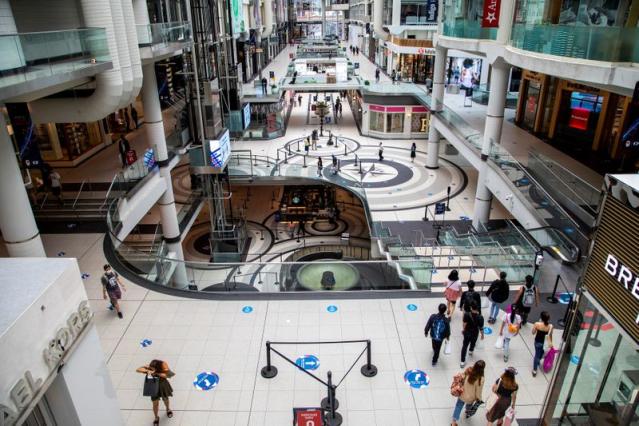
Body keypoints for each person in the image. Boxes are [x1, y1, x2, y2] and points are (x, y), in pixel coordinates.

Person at [136, 360, 175, 425]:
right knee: (155, 403)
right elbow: (138, 370)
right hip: (153, 387)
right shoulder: (150, 368)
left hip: (163, 386)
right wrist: (147, 370)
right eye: (151, 367)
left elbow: (167, 375)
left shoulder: (162, 368)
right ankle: (156, 417)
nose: (152, 368)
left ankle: (168, 409)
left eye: (153, 367)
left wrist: (156, 373)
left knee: (166, 399)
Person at [451, 360, 485, 425]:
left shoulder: (469, 370)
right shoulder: (481, 379)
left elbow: (462, 377)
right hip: (471, 397)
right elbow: (478, 391)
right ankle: (467, 411)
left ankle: (453, 422)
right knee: (469, 405)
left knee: (458, 406)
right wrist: (479, 398)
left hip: (462, 393)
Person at [460, 302, 484, 368]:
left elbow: (464, 323)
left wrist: (463, 330)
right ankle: (471, 351)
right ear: (477, 309)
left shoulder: (467, 314)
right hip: (475, 333)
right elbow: (481, 327)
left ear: (471, 308)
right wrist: (482, 335)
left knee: (464, 346)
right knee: (473, 342)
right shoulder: (480, 317)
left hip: (467, 332)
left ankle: (462, 361)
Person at [532, 311, 553, 377]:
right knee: (541, 353)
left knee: (537, 355)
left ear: (541, 317)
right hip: (545, 343)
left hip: (537, 341)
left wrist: (537, 324)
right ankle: (538, 361)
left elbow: (533, 332)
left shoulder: (537, 324)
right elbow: (550, 335)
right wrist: (551, 343)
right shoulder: (550, 326)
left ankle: (535, 370)